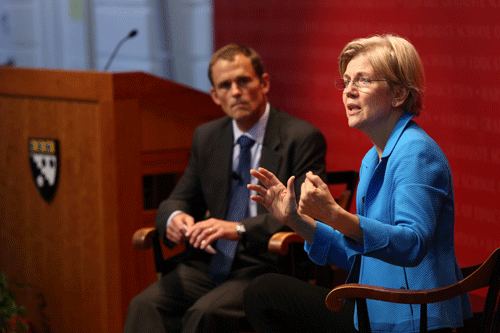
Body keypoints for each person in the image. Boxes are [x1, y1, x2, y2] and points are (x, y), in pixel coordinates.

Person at [244, 35, 472, 333]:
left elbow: (412, 245)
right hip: (375, 311)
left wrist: (336, 216)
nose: (348, 92)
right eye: (346, 81)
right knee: (263, 292)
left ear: (399, 93)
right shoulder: (371, 159)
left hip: (413, 319)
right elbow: (360, 253)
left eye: (362, 80)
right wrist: (295, 220)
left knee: (265, 293)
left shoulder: (416, 152)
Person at [123, 44, 327, 333]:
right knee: (145, 305)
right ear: (215, 96)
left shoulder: (301, 138)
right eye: (225, 85)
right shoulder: (207, 137)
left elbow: (309, 213)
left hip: (268, 265)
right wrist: (175, 219)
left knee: (204, 314)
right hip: (212, 261)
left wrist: (240, 229)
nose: (235, 91)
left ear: (264, 83)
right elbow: (180, 198)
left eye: (243, 81)